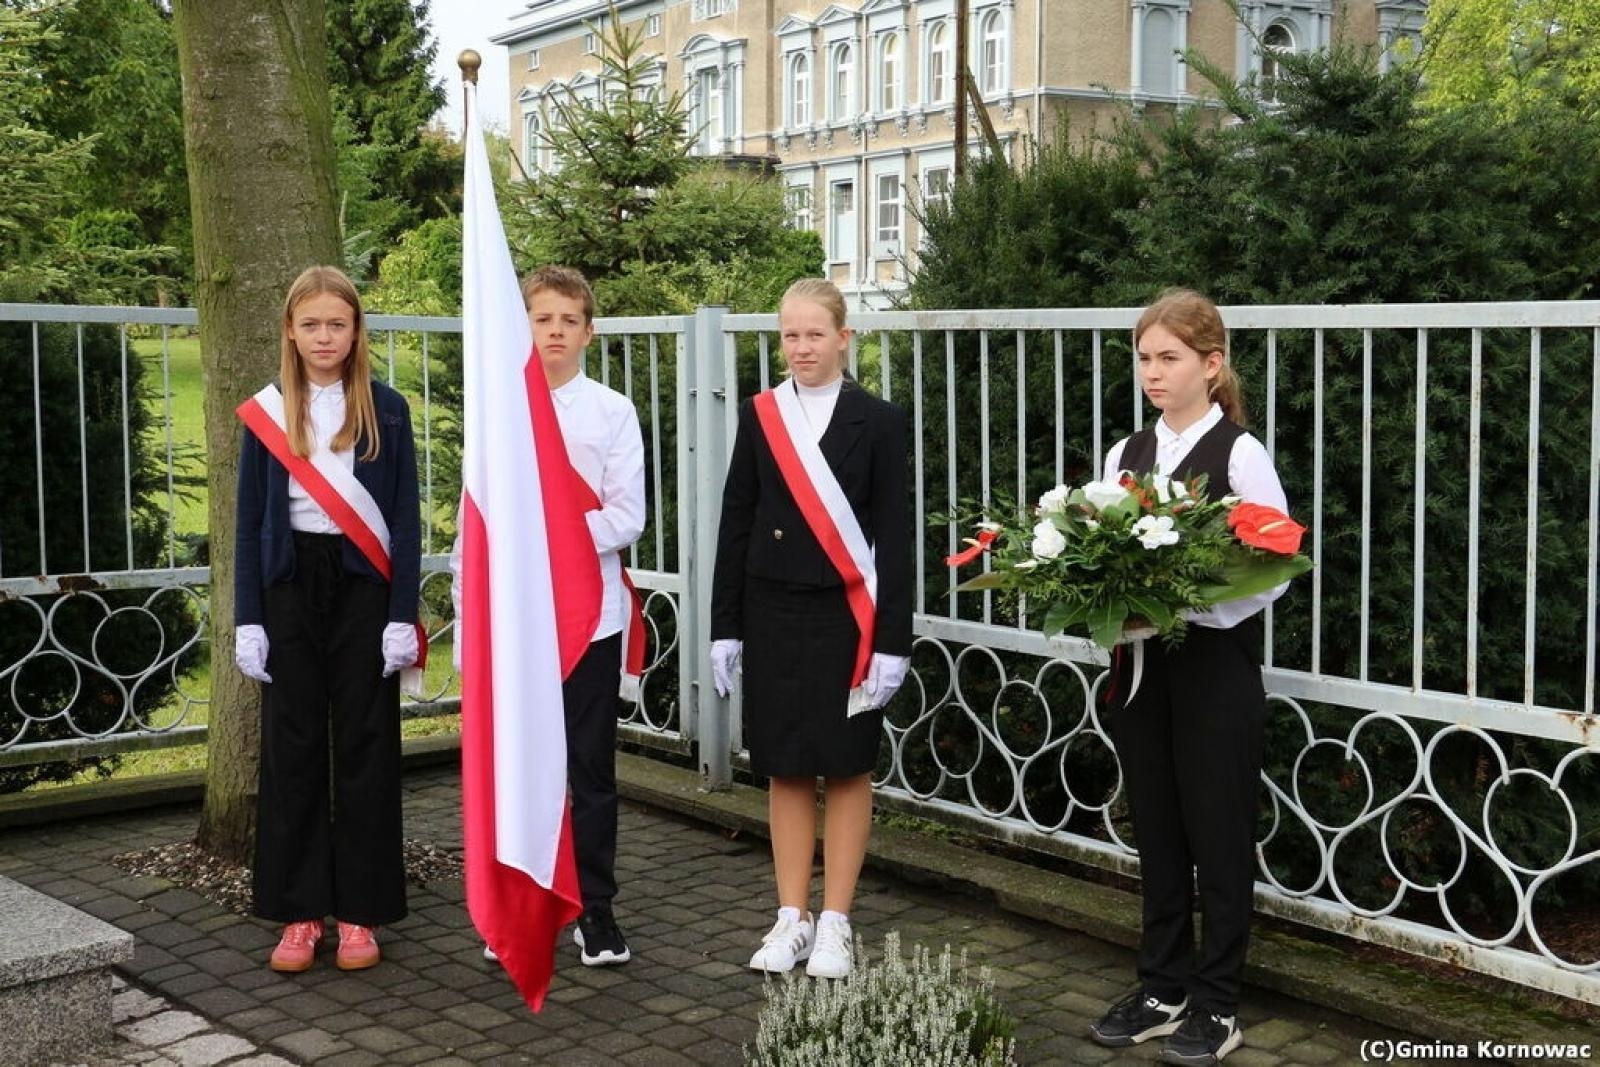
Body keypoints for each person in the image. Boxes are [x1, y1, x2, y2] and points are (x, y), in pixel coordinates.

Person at [1087, 289, 1289, 1065]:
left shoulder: (1240, 452)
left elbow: (1273, 568)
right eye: (1144, 357)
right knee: (1161, 830)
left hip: (1213, 668)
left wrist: (1184, 612)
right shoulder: (1125, 453)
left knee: (1218, 831)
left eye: (1169, 357)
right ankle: (1162, 985)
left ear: (1211, 364)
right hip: (1141, 672)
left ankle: (1217, 1000)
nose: (1152, 372)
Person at [708, 277, 913, 980]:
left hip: (846, 614)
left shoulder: (880, 421)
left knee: (847, 763)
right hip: (770, 608)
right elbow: (737, 520)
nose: (800, 347)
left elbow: (896, 536)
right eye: (790, 335)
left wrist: (893, 638)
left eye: (814, 334)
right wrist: (724, 625)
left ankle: (837, 922)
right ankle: (791, 914)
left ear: (844, 338)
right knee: (785, 763)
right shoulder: (760, 414)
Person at [455, 265, 647, 967]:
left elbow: (628, 515)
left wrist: (552, 531)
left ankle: (595, 907)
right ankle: (516, 904)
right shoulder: (500, 412)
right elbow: (473, 521)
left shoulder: (612, 412)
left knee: (590, 768)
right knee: (518, 763)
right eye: (543, 319)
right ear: (525, 327)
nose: (556, 331)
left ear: (589, 331)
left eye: (569, 319)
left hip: (587, 617)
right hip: (515, 622)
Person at [233, 265, 422, 973]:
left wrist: (402, 613)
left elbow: (403, 521)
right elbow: (251, 521)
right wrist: (249, 617)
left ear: (355, 330)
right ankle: (299, 912)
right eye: (310, 324)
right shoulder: (267, 413)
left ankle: (363, 912)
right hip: (289, 588)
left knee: (369, 744)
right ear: (290, 329)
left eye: (336, 324)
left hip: (362, 589)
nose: (323, 336)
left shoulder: (388, 408)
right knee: (293, 747)